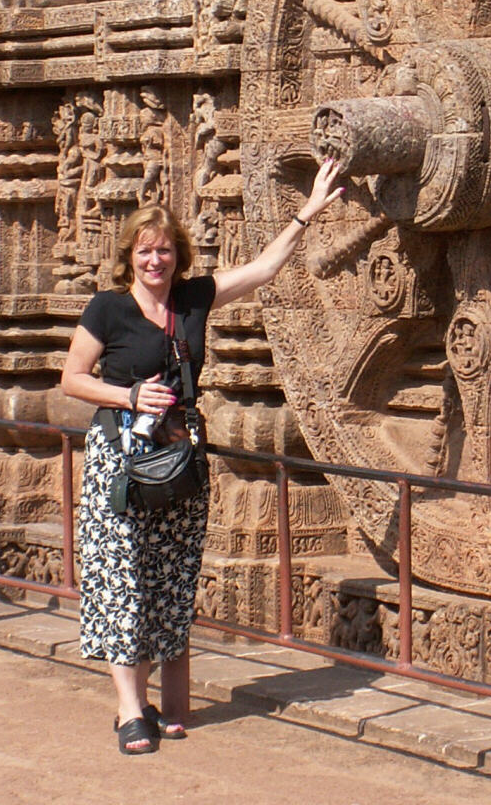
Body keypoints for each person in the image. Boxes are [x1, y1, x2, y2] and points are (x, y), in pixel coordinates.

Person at [60, 158, 345, 755]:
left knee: (169, 576)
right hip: (121, 459)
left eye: (163, 250)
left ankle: (161, 701)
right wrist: (129, 393)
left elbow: (265, 270)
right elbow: (72, 378)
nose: (154, 260)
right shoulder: (106, 309)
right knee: (121, 578)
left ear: (177, 255)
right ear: (128, 256)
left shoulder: (193, 300)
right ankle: (130, 709)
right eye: (144, 251)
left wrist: (307, 213)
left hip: (182, 457)